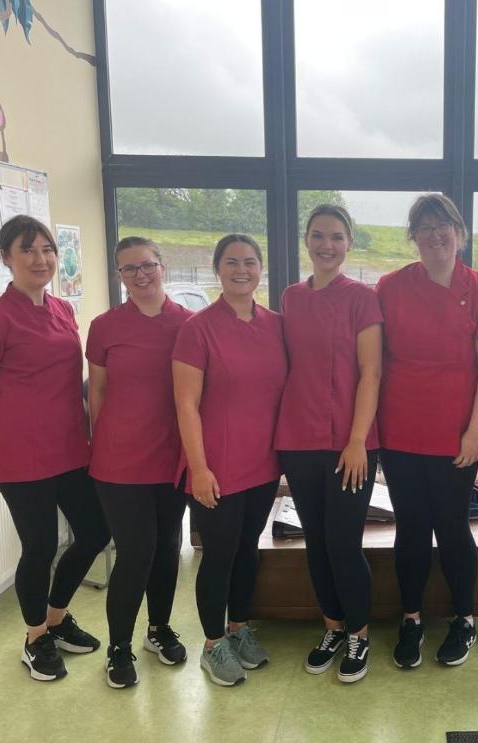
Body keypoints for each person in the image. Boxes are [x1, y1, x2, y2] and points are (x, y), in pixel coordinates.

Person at [0, 215, 109, 682]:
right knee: (40, 546)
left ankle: (57, 617)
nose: (40, 259)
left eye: (47, 249)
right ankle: (35, 637)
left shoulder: (62, 310)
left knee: (95, 531)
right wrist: (0, 447)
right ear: (6, 258)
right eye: (27, 249)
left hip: (70, 448)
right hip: (20, 458)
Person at [376, 193, 478, 668]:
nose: (435, 235)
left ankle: (464, 618)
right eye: (425, 227)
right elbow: (372, 361)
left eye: (443, 226)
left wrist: (476, 433)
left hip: (457, 435)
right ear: (413, 236)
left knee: (452, 526)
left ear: (459, 232)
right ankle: (411, 618)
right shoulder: (390, 287)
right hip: (399, 432)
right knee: (411, 527)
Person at [172, 234, 287, 687]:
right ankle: (213, 643)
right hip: (216, 465)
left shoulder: (276, 325)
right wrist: (198, 468)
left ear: (261, 269)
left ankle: (238, 628)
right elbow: (185, 404)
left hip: (262, 462)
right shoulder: (197, 328)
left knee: (248, 550)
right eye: (232, 262)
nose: (242, 270)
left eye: (250, 262)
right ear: (217, 269)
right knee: (219, 554)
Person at [275, 204, 383, 684]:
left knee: (343, 543)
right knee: (315, 544)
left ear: (349, 244)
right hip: (298, 440)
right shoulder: (291, 297)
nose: (327, 245)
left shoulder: (363, 299)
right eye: (319, 235)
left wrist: (357, 440)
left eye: (337, 237)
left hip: (350, 444)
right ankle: (333, 627)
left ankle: (359, 634)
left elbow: (371, 372)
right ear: (306, 240)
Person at [86, 236, 192, 688]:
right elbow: (97, 391)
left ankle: (159, 629)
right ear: (119, 276)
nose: (140, 275)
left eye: (147, 265)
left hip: (172, 457)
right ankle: (118, 647)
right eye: (129, 269)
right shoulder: (105, 326)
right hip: (119, 461)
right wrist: (100, 443)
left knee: (168, 547)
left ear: (162, 266)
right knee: (136, 552)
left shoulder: (189, 323)